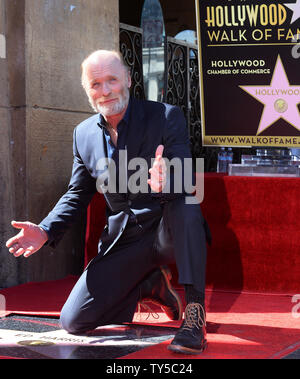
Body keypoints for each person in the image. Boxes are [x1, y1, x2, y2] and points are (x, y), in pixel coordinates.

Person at [6, 50, 210, 354]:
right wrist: (46, 230)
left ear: (127, 79)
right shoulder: (83, 135)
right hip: (124, 240)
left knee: (187, 202)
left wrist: (168, 181)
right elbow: (77, 193)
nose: (105, 90)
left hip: (167, 229)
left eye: (111, 80)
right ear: (87, 90)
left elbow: (183, 172)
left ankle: (195, 314)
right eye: (96, 84)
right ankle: (148, 284)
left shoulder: (165, 116)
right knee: (73, 321)